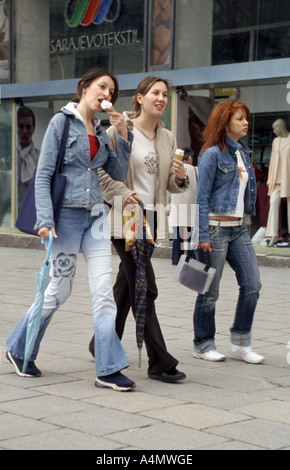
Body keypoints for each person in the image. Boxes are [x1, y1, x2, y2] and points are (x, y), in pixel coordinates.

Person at [6, 68, 136, 392]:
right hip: (64, 219)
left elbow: (117, 172)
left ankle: (107, 369)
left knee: (104, 291)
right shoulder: (60, 123)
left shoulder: (103, 130)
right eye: (101, 86)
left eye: (111, 91)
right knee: (57, 291)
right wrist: (45, 220)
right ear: (84, 88)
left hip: (96, 217)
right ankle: (19, 348)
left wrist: (123, 137)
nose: (106, 94)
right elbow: (44, 173)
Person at [89, 75, 188, 383]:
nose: (161, 98)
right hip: (125, 217)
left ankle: (101, 343)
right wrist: (123, 194)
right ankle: (160, 361)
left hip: (152, 218)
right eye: (155, 93)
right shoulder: (119, 130)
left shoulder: (167, 137)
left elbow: (170, 184)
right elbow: (100, 172)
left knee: (128, 284)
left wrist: (181, 177)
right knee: (146, 285)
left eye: (165, 95)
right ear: (140, 98)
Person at [193, 99, 264, 364]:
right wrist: (202, 234)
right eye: (239, 119)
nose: (246, 122)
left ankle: (241, 341)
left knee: (253, 284)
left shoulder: (243, 153)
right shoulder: (211, 154)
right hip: (215, 230)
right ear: (225, 123)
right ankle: (203, 343)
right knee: (209, 291)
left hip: (239, 229)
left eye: (246, 118)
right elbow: (201, 198)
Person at [169, 147, 198, 265]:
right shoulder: (196, 170)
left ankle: (176, 258)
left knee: (177, 235)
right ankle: (191, 258)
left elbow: (168, 189)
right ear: (190, 158)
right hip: (191, 206)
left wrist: (167, 207)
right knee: (191, 234)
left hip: (176, 206)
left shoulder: (174, 169)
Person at [266, 119, 290, 247]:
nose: (274, 131)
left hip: (288, 179)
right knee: (273, 203)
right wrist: (270, 179)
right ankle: (273, 235)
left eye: (276, 128)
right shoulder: (276, 141)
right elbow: (272, 161)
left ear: (281, 127)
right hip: (276, 179)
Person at [17, 106, 40, 210]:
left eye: (28, 126)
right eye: (21, 126)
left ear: (33, 129)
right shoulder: (9, 156)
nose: (25, 131)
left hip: (33, 212)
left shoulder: (41, 157)